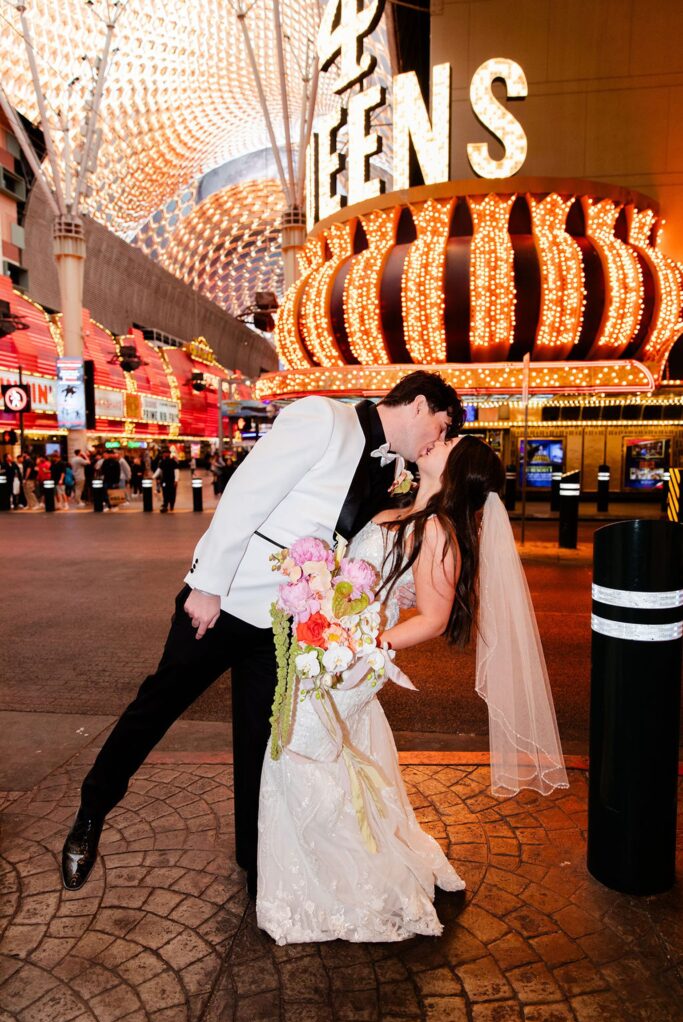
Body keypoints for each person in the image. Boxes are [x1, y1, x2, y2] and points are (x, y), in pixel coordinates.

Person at [60, 371, 462, 896]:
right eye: (441, 421)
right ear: (418, 404)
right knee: (156, 705)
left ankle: (256, 861)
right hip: (225, 600)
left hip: (287, 625)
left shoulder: (396, 471)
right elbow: (246, 493)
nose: (437, 435)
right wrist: (207, 583)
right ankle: (91, 813)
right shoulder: (324, 417)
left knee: (259, 742)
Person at [257, 435, 569, 944]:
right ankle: (319, 875)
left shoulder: (439, 533)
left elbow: (434, 617)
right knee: (316, 752)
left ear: (457, 468)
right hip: (333, 649)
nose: (435, 441)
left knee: (299, 752)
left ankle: (343, 886)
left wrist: (366, 643)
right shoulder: (402, 511)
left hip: (354, 657)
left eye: (448, 442)